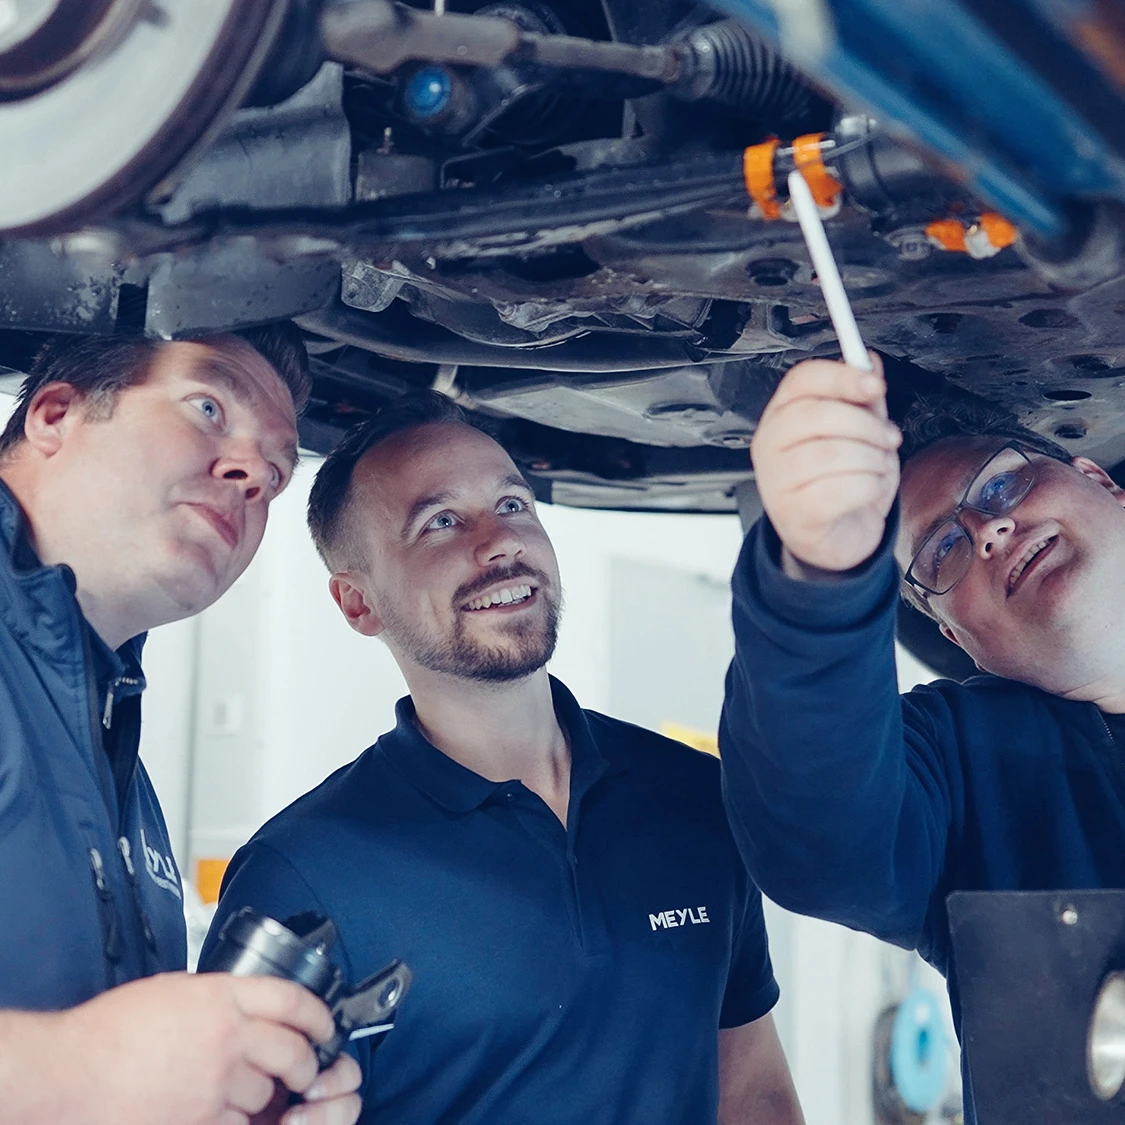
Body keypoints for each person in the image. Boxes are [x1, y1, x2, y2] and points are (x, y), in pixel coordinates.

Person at [204, 391, 804, 1125]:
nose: (498, 543)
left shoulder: (695, 796)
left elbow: (752, 1092)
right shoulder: (302, 873)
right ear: (357, 602)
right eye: (441, 522)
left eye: (513, 505)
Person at [719, 353, 1125, 1119]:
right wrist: (818, 569)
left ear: (1101, 481)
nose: (986, 529)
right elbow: (821, 835)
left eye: (1001, 483)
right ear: (958, 636)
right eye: (940, 548)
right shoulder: (967, 766)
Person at [0, 328, 361, 1125]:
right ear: (54, 414)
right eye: (208, 406)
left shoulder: (117, 762)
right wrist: (77, 1069)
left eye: (274, 475)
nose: (249, 476)